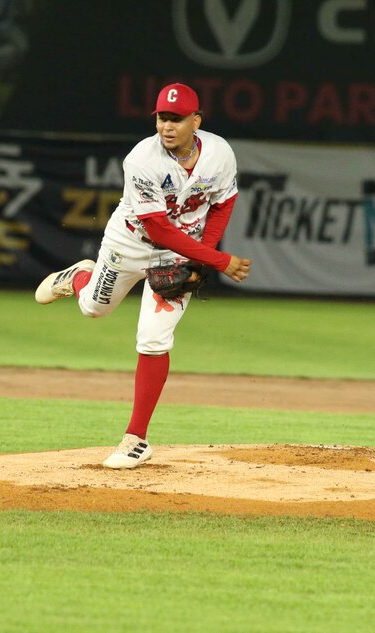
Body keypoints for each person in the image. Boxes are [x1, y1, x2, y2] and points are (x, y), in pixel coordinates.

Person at [34, 82, 252, 469]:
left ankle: (136, 438)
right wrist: (217, 260)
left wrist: (202, 258)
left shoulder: (219, 153)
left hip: (180, 252)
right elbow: (159, 229)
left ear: (195, 121)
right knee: (93, 310)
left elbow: (223, 203)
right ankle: (80, 277)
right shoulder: (141, 160)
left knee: (153, 340)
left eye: (177, 119)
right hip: (130, 242)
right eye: (162, 118)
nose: (167, 126)